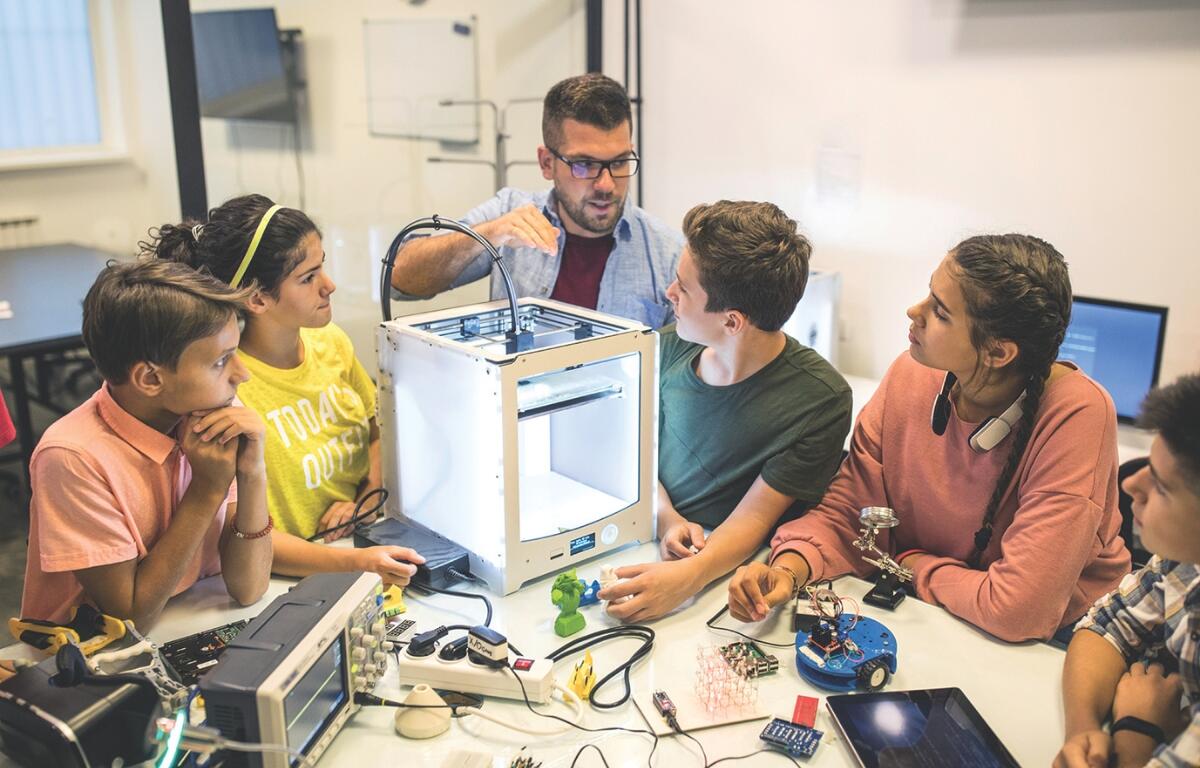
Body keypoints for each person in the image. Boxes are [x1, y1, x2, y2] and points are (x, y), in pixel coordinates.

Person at [728, 234, 1130, 642]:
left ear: (997, 353)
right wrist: (787, 570)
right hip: (936, 610)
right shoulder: (912, 374)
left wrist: (917, 567)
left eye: (939, 311)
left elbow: (1019, 610)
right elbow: (849, 517)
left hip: (1054, 642)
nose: (914, 311)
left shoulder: (1078, 413)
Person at [596, 201, 851, 622]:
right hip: (651, 537)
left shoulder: (819, 399)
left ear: (732, 322)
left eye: (684, 288)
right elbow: (633, 452)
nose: (669, 294)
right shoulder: (664, 350)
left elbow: (754, 518)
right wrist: (666, 517)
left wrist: (686, 578)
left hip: (727, 576)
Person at [151, 194, 424, 586]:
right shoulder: (226, 388)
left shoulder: (331, 341)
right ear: (257, 298)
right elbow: (241, 533)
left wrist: (362, 501)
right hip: (292, 576)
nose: (329, 286)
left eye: (323, 266)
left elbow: (376, 435)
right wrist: (354, 563)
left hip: (364, 545)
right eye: (307, 277)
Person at [20, 260, 272, 628]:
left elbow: (249, 588)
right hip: (86, 659)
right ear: (151, 378)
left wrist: (252, 474)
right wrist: (206, 489)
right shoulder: (72, 456)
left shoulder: (207, 413)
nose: (242, 374)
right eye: (221, 361)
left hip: (188, 619)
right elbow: (130, 618)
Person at [389, 73, 682, 329]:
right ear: (546, 163)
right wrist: (488, 235)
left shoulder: (668, 255)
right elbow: (401, 280)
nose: (605, 184)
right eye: (584, 164)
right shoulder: (509, 212)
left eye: (619, 162)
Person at [1055, 374, 1200, 768]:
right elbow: (1107, 625)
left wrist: (1136, 731)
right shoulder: (1185, 560)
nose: (1132, 483)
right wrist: (1083, 731)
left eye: (1163, 486)